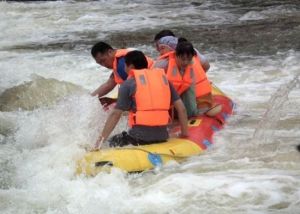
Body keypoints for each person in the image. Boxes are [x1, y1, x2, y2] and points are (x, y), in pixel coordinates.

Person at [94, 50, 188, 149]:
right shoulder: (165, 80)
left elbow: (115, 115)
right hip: (162, 136)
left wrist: (99, 143)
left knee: (110, 142)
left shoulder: (128, 84)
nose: (124, 68)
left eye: (125, 65)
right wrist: (184, 134)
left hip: (138, 139)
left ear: (131, 67)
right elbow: (182, 109)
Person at [153, 39, 213, 117]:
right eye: (183, 59)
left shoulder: (192, 63)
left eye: (189, 59)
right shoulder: (163, 64)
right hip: (167, 92)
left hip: (183, 90)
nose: (185, 62)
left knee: (190, 108)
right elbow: (153, 84)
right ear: (176, 55)